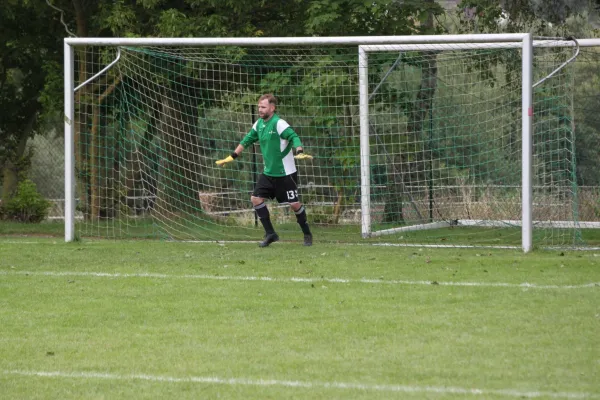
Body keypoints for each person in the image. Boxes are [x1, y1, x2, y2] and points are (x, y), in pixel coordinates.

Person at [216, 94, 313, 247]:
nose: (260, 110)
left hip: (286, 173)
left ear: (272, 108)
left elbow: (293, 136)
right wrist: (232, 156)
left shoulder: (279, 123)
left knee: (294, 204)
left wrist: (299, 151)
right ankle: (270, 234)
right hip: (268, 173)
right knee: (255, 199)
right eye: (259, 107)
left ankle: (307, 234)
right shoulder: (259, 124)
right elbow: (246, 140)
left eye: (263, 107)